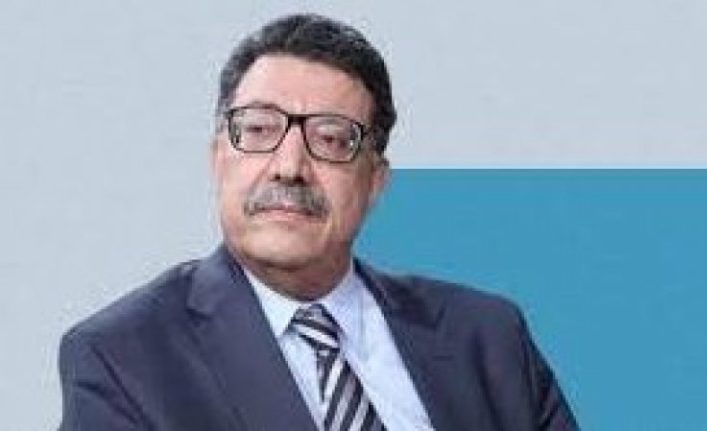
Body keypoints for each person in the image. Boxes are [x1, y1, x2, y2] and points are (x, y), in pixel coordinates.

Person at [58, 13, 578, 431]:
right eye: (258, 130)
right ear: (219, 158)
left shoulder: (487, 338)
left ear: (375, 181)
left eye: (330, 139)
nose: (289, 166)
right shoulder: (125, 358)